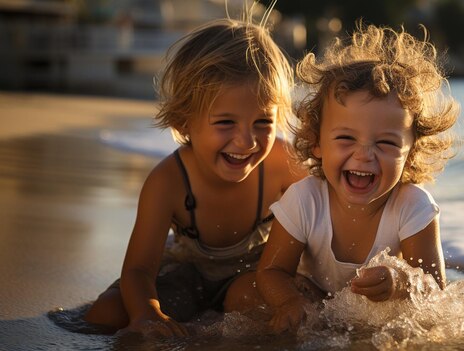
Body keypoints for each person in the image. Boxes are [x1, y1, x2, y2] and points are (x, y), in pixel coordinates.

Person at [83, 17, 303, 337]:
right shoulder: (168, 181)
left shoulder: (283, 164)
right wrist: (148, 314)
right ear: (184, 121)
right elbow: (138, 270)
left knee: (253, 304)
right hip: (186, 272)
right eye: (226, 122)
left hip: (251, 274)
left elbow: (325, 219)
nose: (247, 141)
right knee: (106, 313)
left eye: (263, 123)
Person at [256, 22, 460, 333]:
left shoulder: (412, 206)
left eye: (386, 143)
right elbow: (272, 272)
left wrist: (401, 283)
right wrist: (288, 302)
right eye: (346, 139)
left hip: (371, 316)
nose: (364, 155)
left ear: (411, 153)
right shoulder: (304, 199)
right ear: (317, 142)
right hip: (312, 297)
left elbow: (435, 289)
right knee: (243, 298)